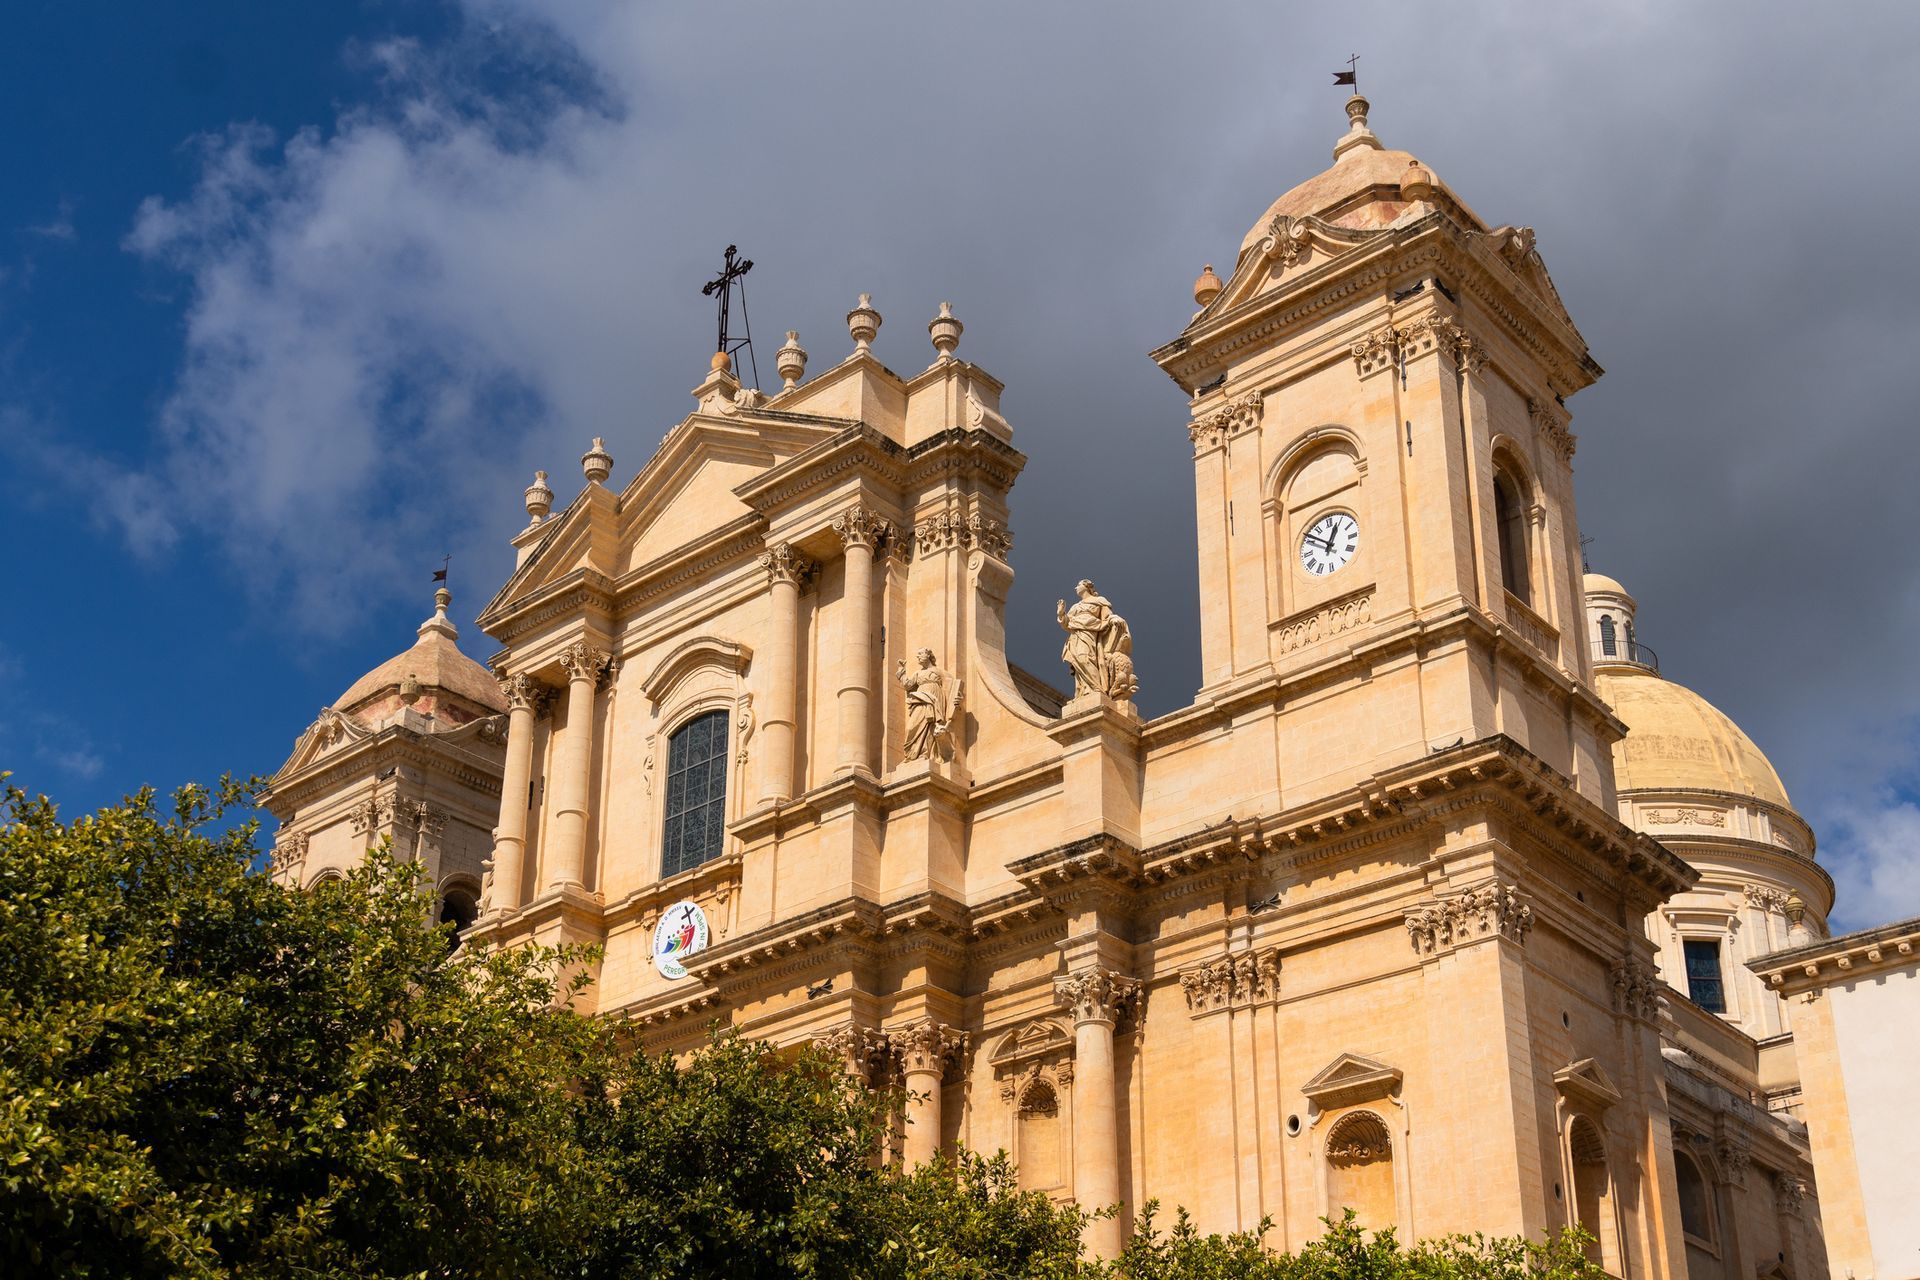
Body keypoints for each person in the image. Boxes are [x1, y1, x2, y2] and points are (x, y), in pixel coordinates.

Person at [1057, 579, 1138, 700]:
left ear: (1086, 586)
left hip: (1090, 633)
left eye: (1078, 585)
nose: (1076, 588)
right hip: (1075, 635)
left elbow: (1107, 616)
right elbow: (1066, 624)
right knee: (1078, 662)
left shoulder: (1099, 601)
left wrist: (1114, 619)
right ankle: (1085, 692)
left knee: (1085, 659)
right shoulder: (1075, 606)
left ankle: (1097, 690)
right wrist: (1061, 613)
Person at [896, 649, 959, 760]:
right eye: (917, 654)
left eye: (920, 653)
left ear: (928, 655)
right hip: (920, 699)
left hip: (935, 699)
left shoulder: (938, 671)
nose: (918, 656)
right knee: (911, 728)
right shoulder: (918, 673)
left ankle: (924, 753)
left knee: (930, 725)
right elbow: (907, 685)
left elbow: (952, 686)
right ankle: (913, 753)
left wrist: (956, 699)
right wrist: (901, 670)